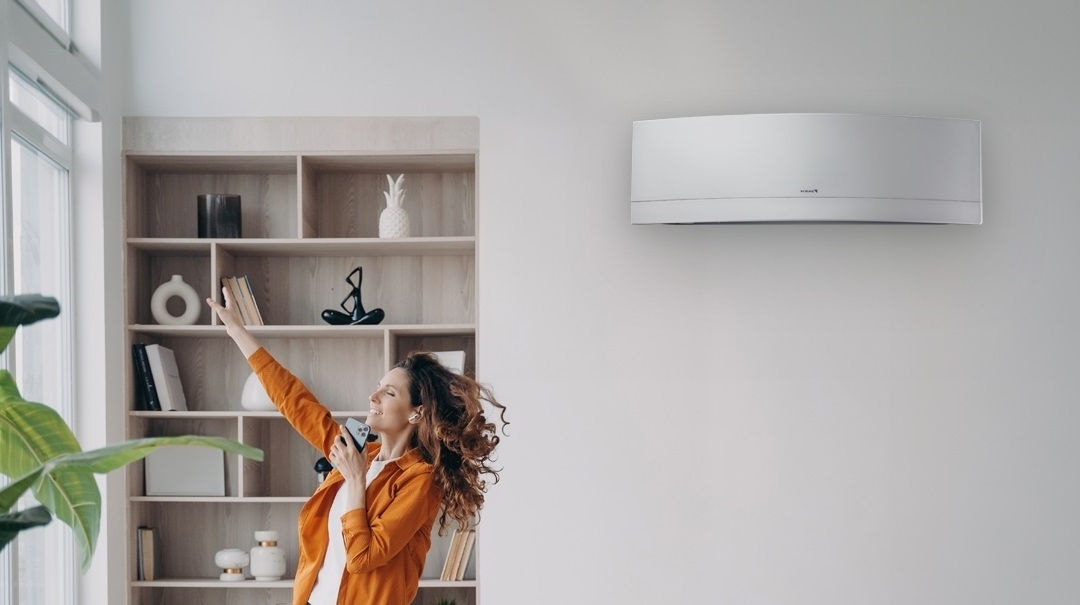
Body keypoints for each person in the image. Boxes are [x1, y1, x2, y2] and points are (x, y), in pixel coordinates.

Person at [206, 288, 508, 605]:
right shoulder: (361, 451)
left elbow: (362, 558)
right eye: (377, 387)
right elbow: (295, 402)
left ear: (416, 412)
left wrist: (354, 479)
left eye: (389, 393)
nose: (372, 398)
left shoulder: (419, 480)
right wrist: (238, 333)